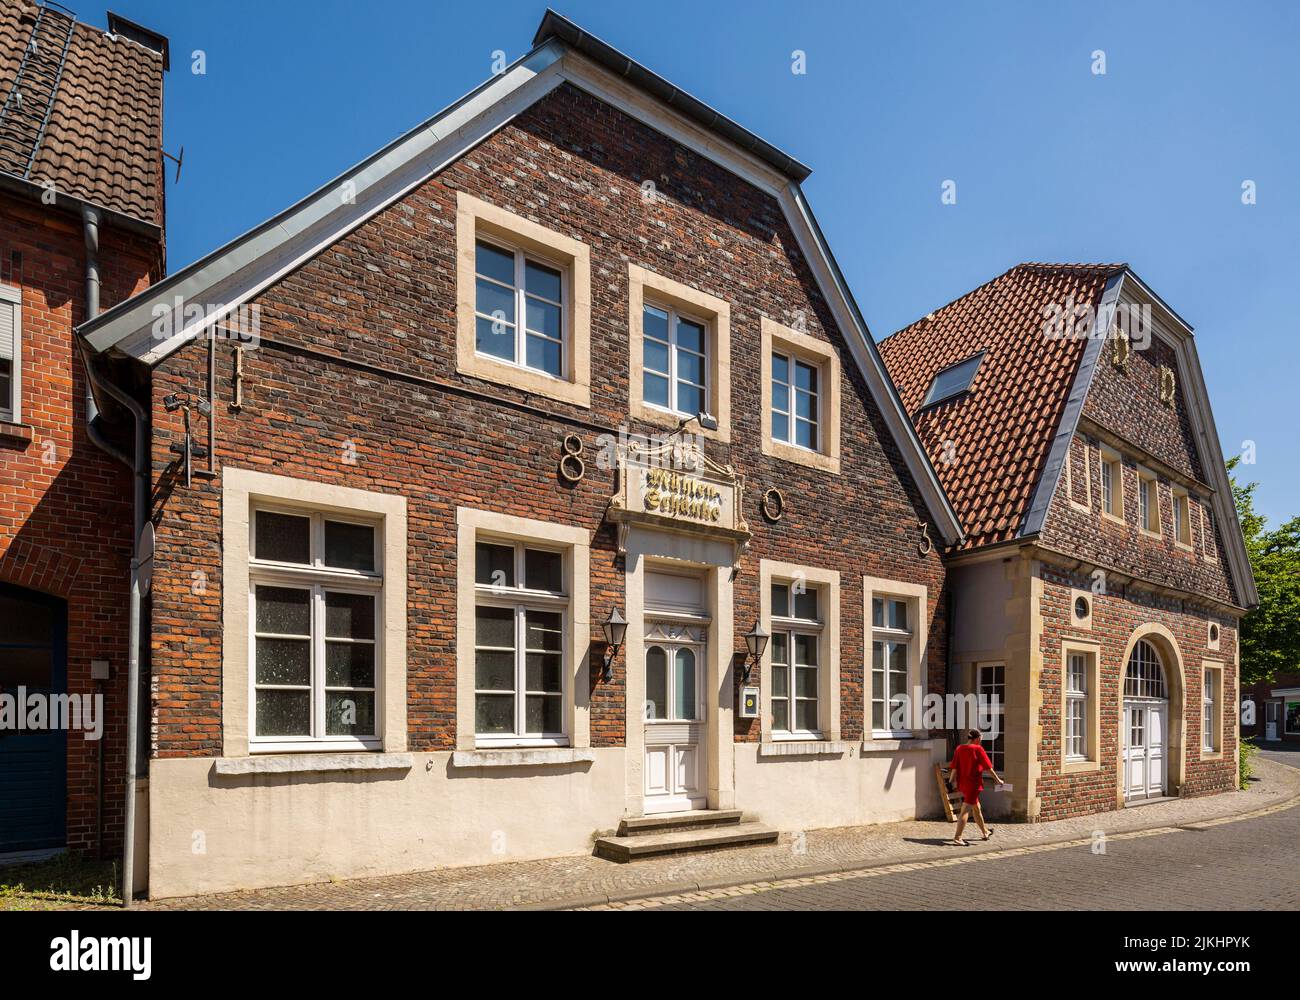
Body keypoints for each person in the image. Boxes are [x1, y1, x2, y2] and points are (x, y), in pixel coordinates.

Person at [946, 728, 1004, 846]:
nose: (981, 741)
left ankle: (985, 832)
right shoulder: (978, 749)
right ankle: (957, 837)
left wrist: (951, 780)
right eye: (980, 739)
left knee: (976, 807)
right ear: (977, 738)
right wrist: (998, 780)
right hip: (974, 784)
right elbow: (988, 767)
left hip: (963, 783)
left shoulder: (959, 748)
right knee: (965, 810)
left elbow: (955, 767)